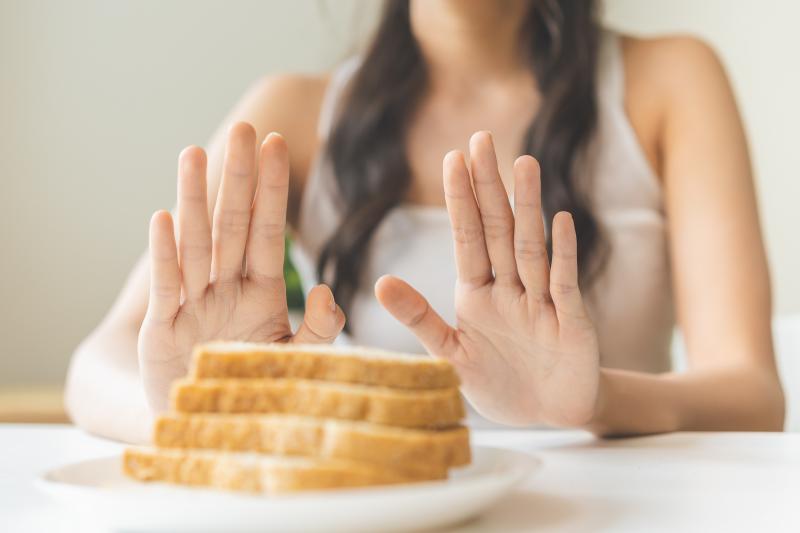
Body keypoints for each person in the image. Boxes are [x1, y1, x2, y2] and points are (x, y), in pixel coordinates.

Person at [65, 0, 784, 442]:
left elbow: (751, 392)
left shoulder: (671, 79)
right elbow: (98, 363)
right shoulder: (291, 116)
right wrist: (202, 409)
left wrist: (591, 400)